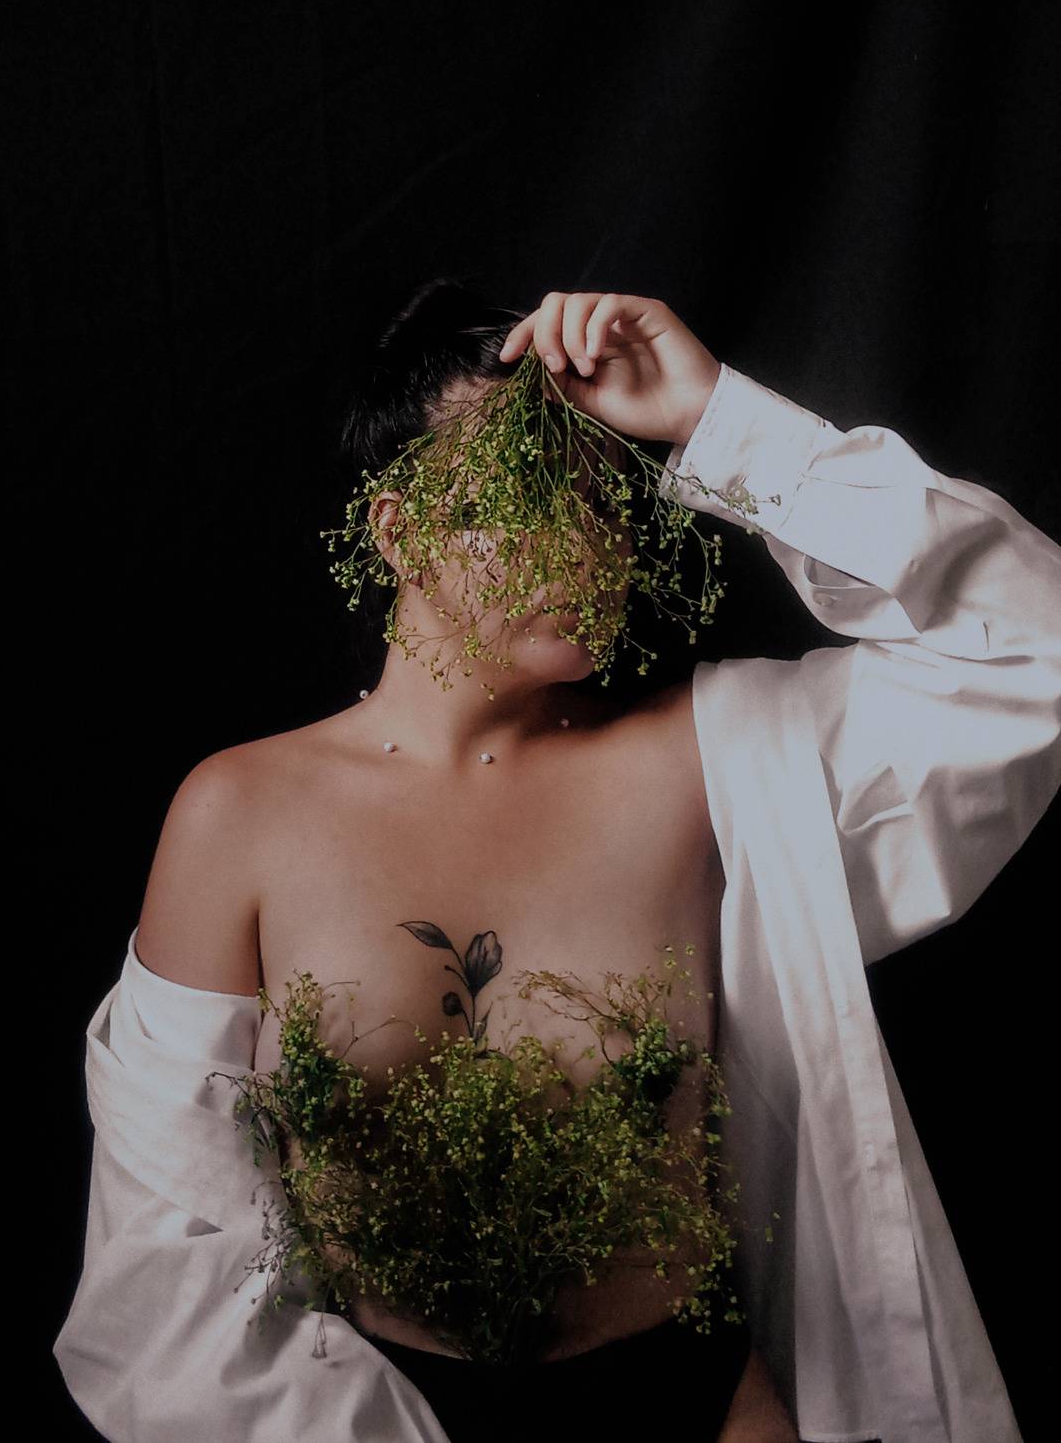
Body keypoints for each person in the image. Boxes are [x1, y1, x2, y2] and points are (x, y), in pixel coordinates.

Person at [53, 280, 1060, 1441]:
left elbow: (1034, 654)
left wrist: (717, 421)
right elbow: (170, 1241)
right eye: (531, 488)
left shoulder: (713, 767)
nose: (590, 538)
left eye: (604, 495)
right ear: (399, 531)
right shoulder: (241, 815)